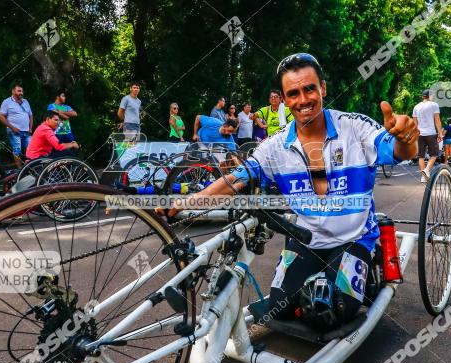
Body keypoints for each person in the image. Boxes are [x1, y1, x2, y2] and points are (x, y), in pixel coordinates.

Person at [164, 53, 418, 328]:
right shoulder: (274, 145)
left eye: (309, 89)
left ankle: (363, 276)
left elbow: (397, 150)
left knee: (326, 309)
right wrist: (184, 203)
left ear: (323, 88)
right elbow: (234, 181)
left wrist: (407, 139)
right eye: (293, 93)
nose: (303, 100)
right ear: (284, 100)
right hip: (306, 238)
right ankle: (317, 279)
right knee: (278, 308)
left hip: (353, 238)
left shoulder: (354, 127)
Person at [0, 84, 33, 168]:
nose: (21, 93)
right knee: (17, 150)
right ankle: (20, 170)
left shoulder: (26, 101)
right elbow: (1, 116)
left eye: (22, 91)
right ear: (13, 91)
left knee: (31, 149)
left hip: (26, 131)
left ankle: (29, 167)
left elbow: (31, 115)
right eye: (19, 91)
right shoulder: (7, 102)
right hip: (14, 131)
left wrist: (30, 128)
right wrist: (12, 128)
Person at [411, 90, 442, 183]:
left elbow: (414, 123)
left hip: (420, 134)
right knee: (434, 154)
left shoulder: (416, 107)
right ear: (430, 96)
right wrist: (440, 133)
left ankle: (423, 177)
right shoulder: (434, 105)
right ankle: (427, 169)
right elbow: (437, 120)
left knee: (421, 156)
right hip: (431, 133)